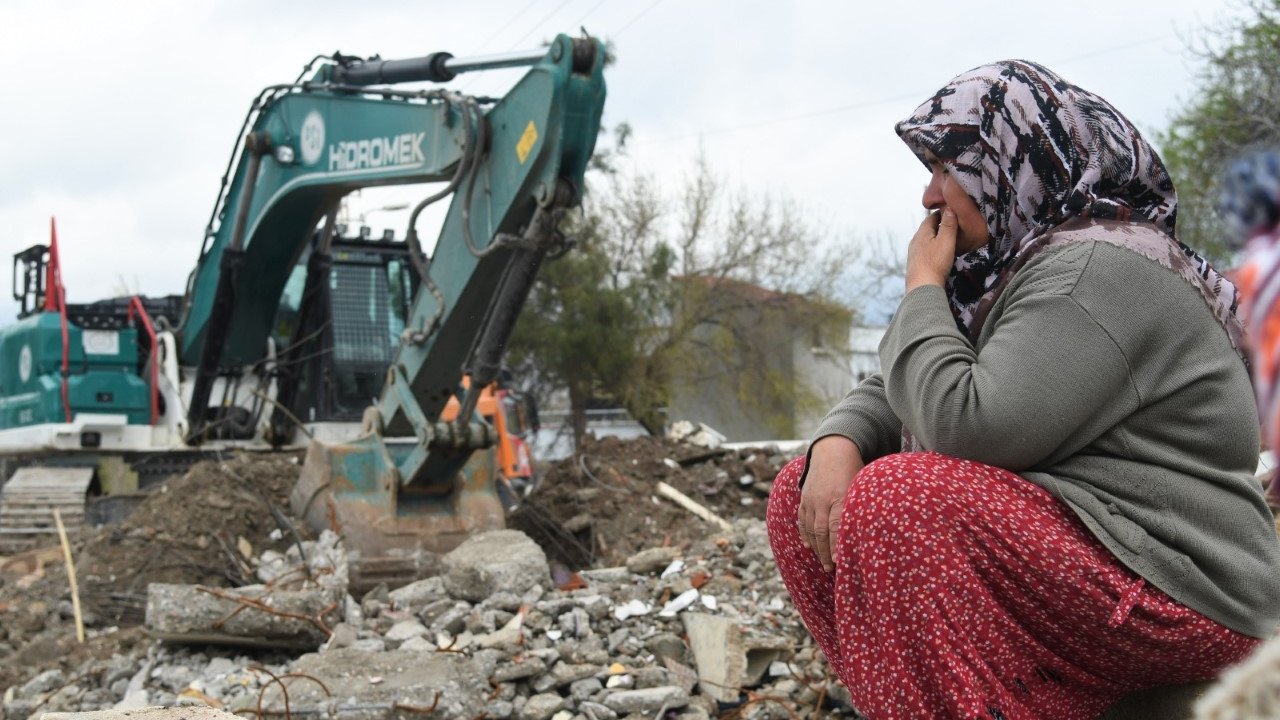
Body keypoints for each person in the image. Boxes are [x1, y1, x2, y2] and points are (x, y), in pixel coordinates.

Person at [765, 59, 1280, 720]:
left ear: (1013, 160)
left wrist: (922, 287)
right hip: (1096, 554)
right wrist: (837, 441)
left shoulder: (1097, 266)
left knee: (899, 501)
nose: (929, 196)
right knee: (798, 494)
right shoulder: (1014, 269)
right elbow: (909, 378)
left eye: (947, 169)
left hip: (1182, 582)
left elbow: (971, 423)